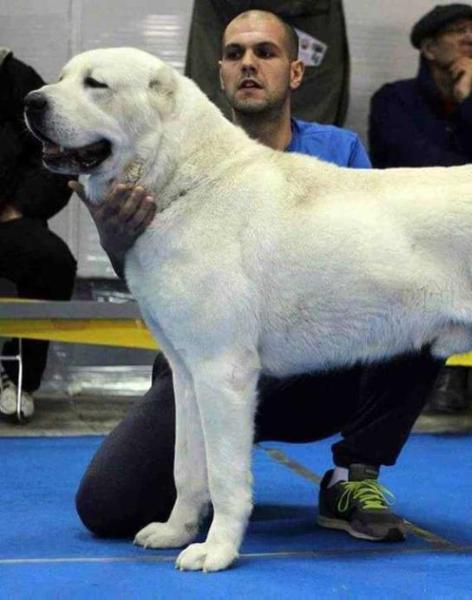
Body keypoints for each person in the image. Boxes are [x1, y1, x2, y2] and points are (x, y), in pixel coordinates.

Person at [74, 10, 437, 544]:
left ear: (294, 72)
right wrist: (116, 240)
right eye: (234, 54)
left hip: (320, 372)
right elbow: (158, 298)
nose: (248, 64)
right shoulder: (162, 163)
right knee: (106, 508)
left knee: (425, 292)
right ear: (218, 74)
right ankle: (203, 482)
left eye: (265, 53)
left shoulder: (339, 152)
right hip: (204, 365)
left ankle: (353, 474)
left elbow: (381, 265)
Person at [368, 3, 472, 432]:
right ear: (428, 47)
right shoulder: (393, 100)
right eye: (457, 31)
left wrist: (469, 101)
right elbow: (407, 162)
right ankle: (443, 378)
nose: (469, 38)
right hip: (416, 238)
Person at [0, 48, 77, 422]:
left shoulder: (16, 78)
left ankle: (19, 379)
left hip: (7, 219)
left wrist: (19, 207)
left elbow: (54, 152)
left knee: (53, 262)